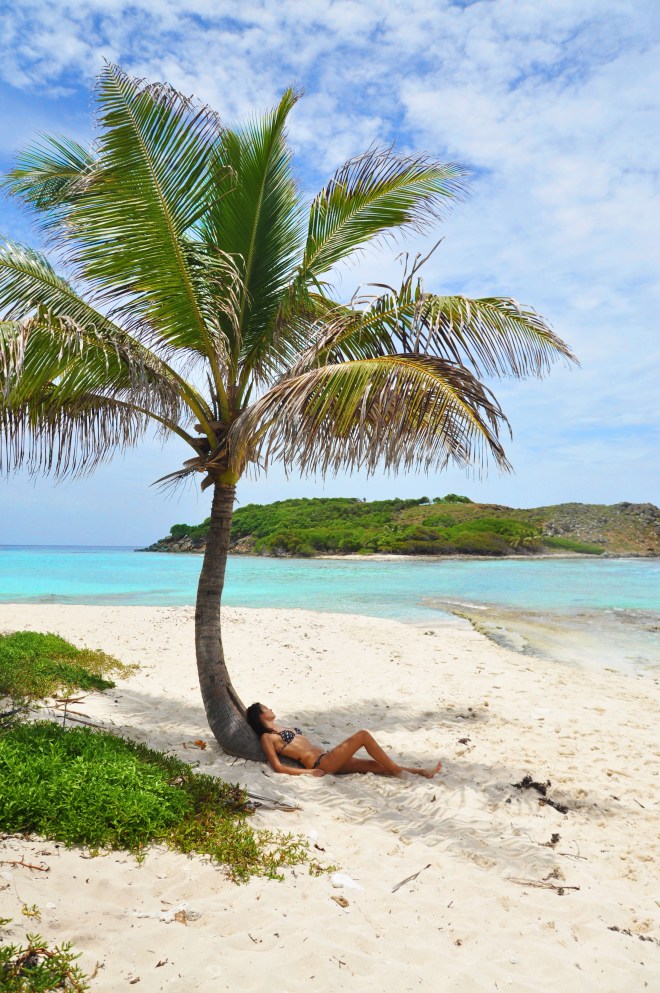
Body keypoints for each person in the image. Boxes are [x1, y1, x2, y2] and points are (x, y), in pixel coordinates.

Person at [246, 703, 442, 778]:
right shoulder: (267, 737)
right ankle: (399, 771)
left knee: (377, 766)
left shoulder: (281, 726)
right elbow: (278, 767)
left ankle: (421, 772)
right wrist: (309, 772)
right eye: (266, 708)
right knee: (362, 735)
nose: (270, 708)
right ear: (261, 716)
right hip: (321, 763)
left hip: (329, 757)